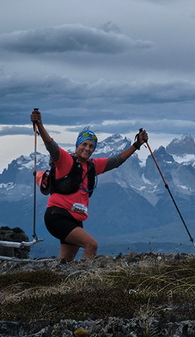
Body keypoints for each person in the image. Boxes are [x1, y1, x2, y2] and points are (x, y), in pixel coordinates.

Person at [31, 109, 147, 261]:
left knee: (65, 263)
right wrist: (39, 125)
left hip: (76, 219)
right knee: (91, 245)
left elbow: (116, 161)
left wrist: (137, 144)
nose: (87, 148)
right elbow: (51, 145)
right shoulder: (66, 161)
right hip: (57, 216)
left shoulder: (93, 166)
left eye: (91, 146)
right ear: (77, 145)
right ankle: (86, 276)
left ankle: (63, 276)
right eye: (84, 144)